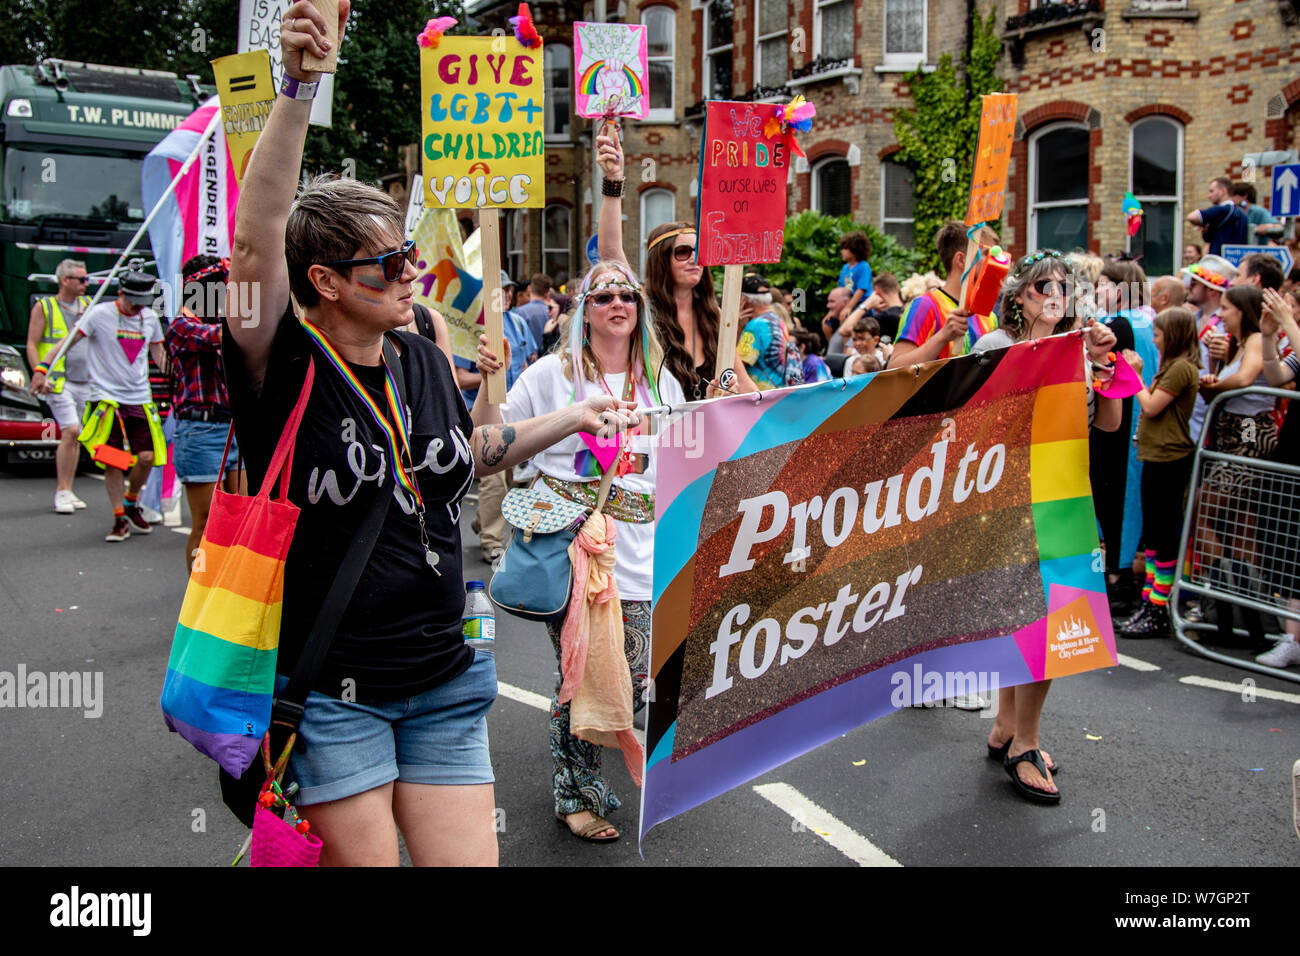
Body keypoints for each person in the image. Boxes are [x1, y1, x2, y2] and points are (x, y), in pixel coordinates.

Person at [221, 1, 639, 866]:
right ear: (327, 282)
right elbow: (255, 247)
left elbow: (466, 459)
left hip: (446, 680)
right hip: (337, 694)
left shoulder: (418, 356)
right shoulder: (281, 368)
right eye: (390, 265)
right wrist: (298, 86)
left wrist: (569, 416)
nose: (414, 273)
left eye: (409, 256)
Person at [498, 258, 686, 842]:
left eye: (627, 294)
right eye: (602, 295)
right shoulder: (550, 376)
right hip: (575, 550)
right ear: (584, 311)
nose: (617, 303)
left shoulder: (660, 382)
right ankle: (574, 791)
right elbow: (497, 442)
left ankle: (589, 768)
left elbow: (683, 456)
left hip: (642, 548)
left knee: (632, 677)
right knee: (581, 672)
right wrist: (487, 384)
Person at [974, 251, 1121, 803]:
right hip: (1009, 502)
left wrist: (1105, 368)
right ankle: (1019, 742)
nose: (1053, 293)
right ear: (1018, 297)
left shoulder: (1082, 349)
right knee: (1024, 616)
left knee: (1055, 620)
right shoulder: (995, 348)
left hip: (1065, 501)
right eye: (1040, 286)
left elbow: (1108, 423)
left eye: (1061, 285)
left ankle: (1010, 728)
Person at [594, 125, 748, 400]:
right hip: (658, 436)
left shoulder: (714, 316)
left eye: (699, 251)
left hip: (711, 435)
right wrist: (613, 180)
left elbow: (744, 384)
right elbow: (610, 252)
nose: (694, 259)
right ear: (661, 260)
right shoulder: (643, 310)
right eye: (682, 252)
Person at [32, 271, 166, 541]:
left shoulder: (149, 318)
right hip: (106, 400)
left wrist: (181, 374)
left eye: (142, 301)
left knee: (147, 457)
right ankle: (119, 518)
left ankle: (131, 500)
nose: (137, 307)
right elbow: (66, 343)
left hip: (139, 398)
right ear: (120, 293)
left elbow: (159, 355)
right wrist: (42, 368)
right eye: (133, 301)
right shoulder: (99, 314)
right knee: (113, 461)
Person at [1196, 284, 1275, 653]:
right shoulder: (1239, 343)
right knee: (1242, 532)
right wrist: (1213, 373)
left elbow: (1243, 381)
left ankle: (1225, 612)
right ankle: (1244, 627)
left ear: (1243, 310)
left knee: (1199, 510)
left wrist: (1213, 387)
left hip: (1247, 442)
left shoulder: (1257, 338)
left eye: (1226, 307)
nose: (1221, 314)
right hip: (1229, 440)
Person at [1117, 307, 1202, 638]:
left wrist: (1135, 374)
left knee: (1164, 537)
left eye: (1158, 333)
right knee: (1153, 537)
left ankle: (1158, 606)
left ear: (1174, 335)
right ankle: (1150, 600)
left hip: (1170, 460)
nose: (1153, 339)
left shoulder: (1181, 368)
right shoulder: (1172, 367)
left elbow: (1151, 406)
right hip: (1155, 457)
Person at [165, 255, 246, 571]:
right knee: (205, 523)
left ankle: (225, 592)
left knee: (239, 517)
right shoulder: (182, 325)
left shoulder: (227, 320)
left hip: (235, 431)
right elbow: (223, 337)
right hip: (201, 432)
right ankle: (198, 603)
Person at [1090, 256, 1156, 615]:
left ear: (1119, 288)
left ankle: (1116, 578)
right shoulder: (1148, 320)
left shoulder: (1118, 325)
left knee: (1113, 497)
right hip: (1140, 421)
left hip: (1119, 422)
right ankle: (1122, 574)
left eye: (1102, 283)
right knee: (1129, 500)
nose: (1097, 290)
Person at [1255, 286, 1300, 667]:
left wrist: (1287, 322)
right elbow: (1275, 376)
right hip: (1291, 453)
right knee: (1291, 547)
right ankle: (1291, 637)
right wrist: (1269, 335)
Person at [27, 258, 91, 514]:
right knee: (71, 430)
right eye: (82, 279)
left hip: (85, 379)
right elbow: (32, 343)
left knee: (78, 436)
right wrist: (39, 373)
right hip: (58, 381)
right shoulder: (45, 307)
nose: (87, 284)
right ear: (65, 280)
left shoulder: (89, 306)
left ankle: (69, 488)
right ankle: (62, 491)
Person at [888, 221, 998, 368]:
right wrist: (943, 336)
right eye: (986, 254)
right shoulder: (926, 306)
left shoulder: (989, 316)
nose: (995, 262)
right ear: (961, 260)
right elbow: (894, 368)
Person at [1183, 254, 1236, 443]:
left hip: (1210, 413)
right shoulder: (1191, 319)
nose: (1189, 285)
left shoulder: (1227, 326)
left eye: (1196, 283)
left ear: (1212, 291)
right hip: (1187, 412)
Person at [738, 272, 803, 389]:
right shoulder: (779, 321)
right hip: (776, 394)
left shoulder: (754, 327)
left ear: (745, 301)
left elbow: (737, 367)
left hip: (758, 398)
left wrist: (737, 329)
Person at [1187, 176, 1248, 256]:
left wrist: (1202, 223)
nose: (1209, 195)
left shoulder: (1222, 210)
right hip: (1235, 259)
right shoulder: (1242, 213)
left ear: (1223, 191)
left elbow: (1191, 217)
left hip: (1220, 261)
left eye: (1212, 191)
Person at [844, 270, 904, 342]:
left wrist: (867, 304)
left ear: (876, 291)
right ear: (898, 289)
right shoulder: (908, 312)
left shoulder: (885, 317)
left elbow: (845, 329)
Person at [1230, 181, 1284, 245]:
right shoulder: (1232, 212)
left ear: (1244, 195)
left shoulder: (1258, 211)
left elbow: (1279, 227)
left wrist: (1264, 227)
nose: (1231, 198)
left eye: (1233, 195)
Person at [836, 231, 874, 320]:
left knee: (845, 319)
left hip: (861, 306)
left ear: (855, 250)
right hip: (847, 303)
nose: (842, 251)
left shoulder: (863, 267)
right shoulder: (845, 268)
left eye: (845, 248)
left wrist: (848, 307)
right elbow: (841, 289)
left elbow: (861, 290)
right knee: (827, 324)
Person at [514, 273, 553, 349]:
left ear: (529, 288)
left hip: (528, 358)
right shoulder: (552, 311)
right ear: (547, 291)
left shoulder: (521, 312)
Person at [821, 286, 853, 355]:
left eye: (832, 301)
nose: (828, 306)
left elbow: (847, 356)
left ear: (846, 303)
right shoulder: (835, 326)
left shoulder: (854, 327)